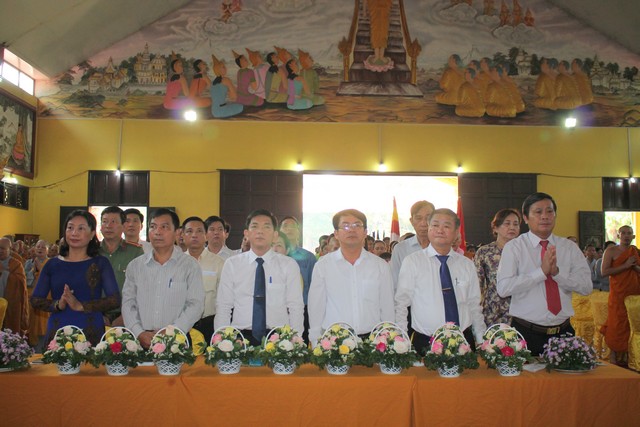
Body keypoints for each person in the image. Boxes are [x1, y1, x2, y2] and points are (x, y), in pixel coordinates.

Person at [497, 193, 592, 355]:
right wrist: (540, 272)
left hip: (563, 333)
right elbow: (503, 288)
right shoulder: (514, 247)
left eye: (549, 211)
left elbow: (586, 287)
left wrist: (557, 274)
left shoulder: (569, 247)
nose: (544, 217)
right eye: (538, 212)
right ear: (525, 218)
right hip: (526, 333)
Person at [395, 208, 485, 355]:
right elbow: (401, 304)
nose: (440, 230)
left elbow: (474, 305)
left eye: (446, 226)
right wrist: (403, 340)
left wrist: (481, 340)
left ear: (456, 232)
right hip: (426, 341)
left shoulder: (466, 265)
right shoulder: (412, 262)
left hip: (463, 340)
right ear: (429, 228)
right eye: (435, 225)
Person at [215, 209, 304, 346]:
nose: (260, 231)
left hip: (279, 338)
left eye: (266, 227)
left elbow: (295, 306)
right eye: (255, 226)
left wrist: (295, 340)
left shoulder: (288, 265)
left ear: (275, 235)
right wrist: (222, 341)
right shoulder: (232, 264)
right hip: (240, 338)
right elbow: (223, 306)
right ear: (246, 234)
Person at [30, 210, 119, 345]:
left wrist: (81, 306)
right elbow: (35, 299)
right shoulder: (52, 264)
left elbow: (115, 299)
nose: (74, 233)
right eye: (70, 228)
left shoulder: (101, 263)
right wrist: (58, 304)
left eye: (81, 228)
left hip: (90, 329)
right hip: (58, 329)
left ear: (92, 234)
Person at [308, 209, 394, 345]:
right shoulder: (323, 266)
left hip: (372, 341)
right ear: (336, 233)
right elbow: (316, 307)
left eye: (357, 225)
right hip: (334, 341)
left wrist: (388, 338)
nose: (352, 230)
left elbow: (387, 306)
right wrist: (315, 340)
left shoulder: (380, 266)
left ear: (365, 232)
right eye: (346, 226)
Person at [122, 209, 204, 349]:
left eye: (164, 227)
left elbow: (196, 304)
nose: (157, 232)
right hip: (140, 341)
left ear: (177, 233)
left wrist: (173, 332)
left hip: (177, 341)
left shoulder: (190, 266)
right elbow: (128, 303)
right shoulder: (135, 266)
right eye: (153, 227)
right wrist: (139, 333)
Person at [600, 225, 640, 366]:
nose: (626, 236)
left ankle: (630, 356)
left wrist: (634, 267)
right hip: (618, 293)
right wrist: (626, 265)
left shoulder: (635, 251)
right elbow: (604, 272)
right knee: (616, 323)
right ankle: (613, 356)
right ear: (618, 235)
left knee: (631, 324)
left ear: (633, 236)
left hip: (634, 294)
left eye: (629, 233)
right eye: (623, 233)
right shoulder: (611, 251)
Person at [474, 208, 521, 326]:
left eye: (516, 224)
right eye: (507, 224)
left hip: (521, 312)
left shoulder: (524, 251)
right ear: (495, 228)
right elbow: (477, 285)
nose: (512, 227)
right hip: (494, 312)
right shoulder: (485, 252)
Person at [99, 206, 144, 325]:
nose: (108, 226)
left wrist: (125, 317)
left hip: (126, 316)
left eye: (113, 222)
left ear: (123, 226)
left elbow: (142, 288)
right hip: (96, 315)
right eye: (105, 221)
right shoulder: (91, 252)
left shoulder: (135, 252)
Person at [183, 216, 225, 344]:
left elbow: (224, 299)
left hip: (209, 324)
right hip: (181, 325)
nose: (194, 235)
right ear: (183, 235)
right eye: (189, 231)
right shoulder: (176, 263)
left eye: (199, 231)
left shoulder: (219, 263)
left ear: (206, 236)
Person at [391, 201, 436, 288]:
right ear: (411, 221)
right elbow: (395, 282)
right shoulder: (400, 249)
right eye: (418, 218)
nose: (423, 223)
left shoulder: (442, 247)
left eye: (428, 218)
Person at [0, 237, 29, 335]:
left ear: (10, 249)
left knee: (8, 331)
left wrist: (4, 272)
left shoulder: (16, 264)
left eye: (3, 248)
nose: (0, 251)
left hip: (11, 304)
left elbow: (21, 283)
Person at [25, 239, 50, 347]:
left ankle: (42, 347)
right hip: (30, 297)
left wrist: (41, 270)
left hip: (45, 298)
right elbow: (25, 279)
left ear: (47, 250)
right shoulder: (28, 263)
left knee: (42, 327)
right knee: (30, 323)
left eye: (43, 247)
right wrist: (33, 272)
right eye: (38, 247)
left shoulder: (50, 263)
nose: (40, 249)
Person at [210, 54, 243, 118]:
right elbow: (234, 97)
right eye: (223, 67)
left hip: (214, 111)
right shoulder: (226, 80)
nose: (225, 68)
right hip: (222, 110)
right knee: (241, 107)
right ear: (218, 70)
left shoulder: (213, 83)